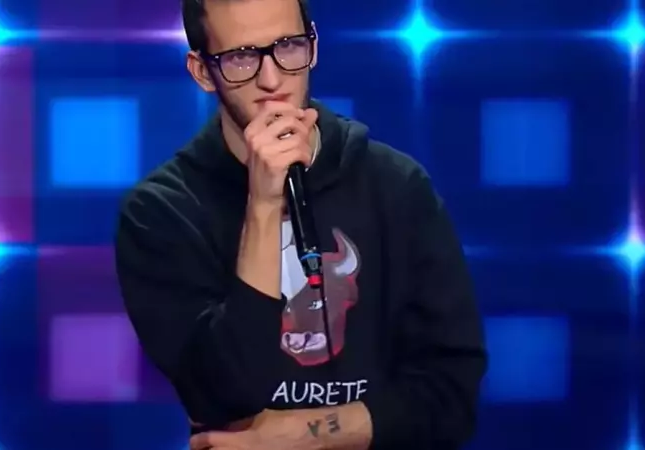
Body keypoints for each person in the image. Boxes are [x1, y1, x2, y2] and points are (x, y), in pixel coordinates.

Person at [114, 0, 487, 448]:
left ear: (313, 45)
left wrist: (301, 436)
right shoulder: (162, 212)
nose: (272, 80)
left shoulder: (397, 187)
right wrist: (263, 205)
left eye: (288, 46)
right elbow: (224, 395)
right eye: (241, 58)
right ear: (201, 71)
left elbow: (451, 396)